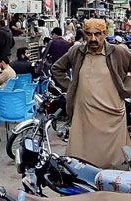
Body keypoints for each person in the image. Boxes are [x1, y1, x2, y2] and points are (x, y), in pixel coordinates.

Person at [51, 18, 131, 169]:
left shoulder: (118, 52)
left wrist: (126, 88)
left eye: (98, 34)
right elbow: (57, 68)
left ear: (105, 34)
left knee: (114, 164)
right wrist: (71, 87)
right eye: (88, 34)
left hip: (111, 116)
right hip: (84, 116)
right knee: (78, 162)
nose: (93, 39)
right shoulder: (77, 51)